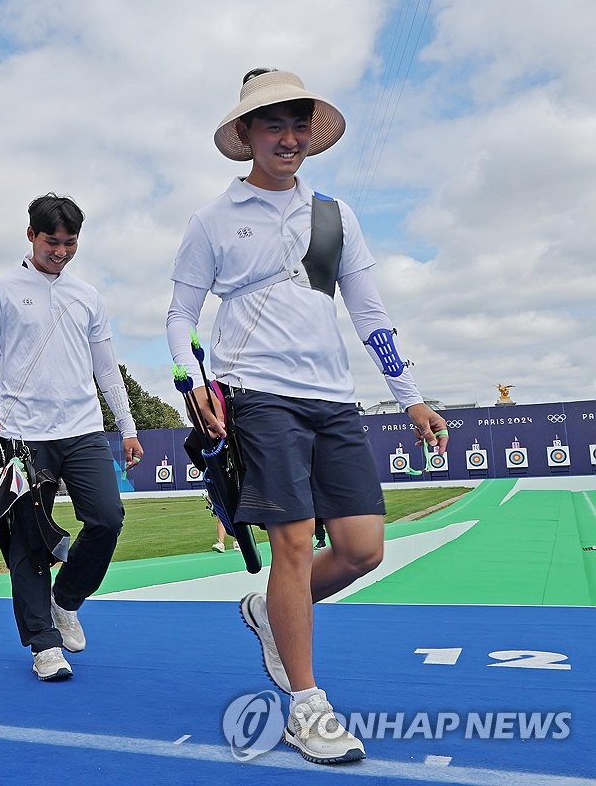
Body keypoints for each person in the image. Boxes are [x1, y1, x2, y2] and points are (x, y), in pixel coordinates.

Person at [166, 69, 448, 764]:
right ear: (246, 135)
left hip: (332, 397)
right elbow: (180, 314)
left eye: (298, 126)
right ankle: (306, 707)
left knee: (361, 548)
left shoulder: (333, 216)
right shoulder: (213, 219)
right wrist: (188, 380)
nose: (288, 139)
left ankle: (270, 612)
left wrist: (408, 393)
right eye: (273, 125)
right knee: (292, 544)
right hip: (255, 393)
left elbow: (368, 310)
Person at [0, 193, 144, 682]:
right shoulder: (1, 289)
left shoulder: (88, 296)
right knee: (25, 543)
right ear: (30, 236)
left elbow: (107, 368)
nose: (60, 252)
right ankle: (44, 646)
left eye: (70, 243)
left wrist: (126, 426)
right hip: (22, 435)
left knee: (107, 518)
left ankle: (65, 600)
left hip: (82, 429)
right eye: (51, 242)